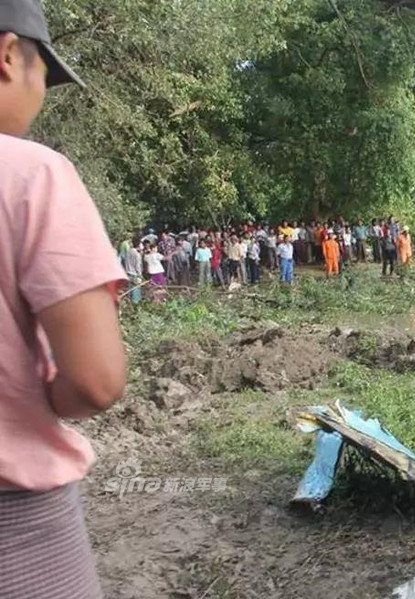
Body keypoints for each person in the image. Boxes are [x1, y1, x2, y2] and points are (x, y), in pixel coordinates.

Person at [1, 7, 129, 596]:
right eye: (42, 76)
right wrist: (44, 387)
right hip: (18, 532)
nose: (40, 97)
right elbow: (96, 381)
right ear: (7, 55)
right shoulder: (31, 175)